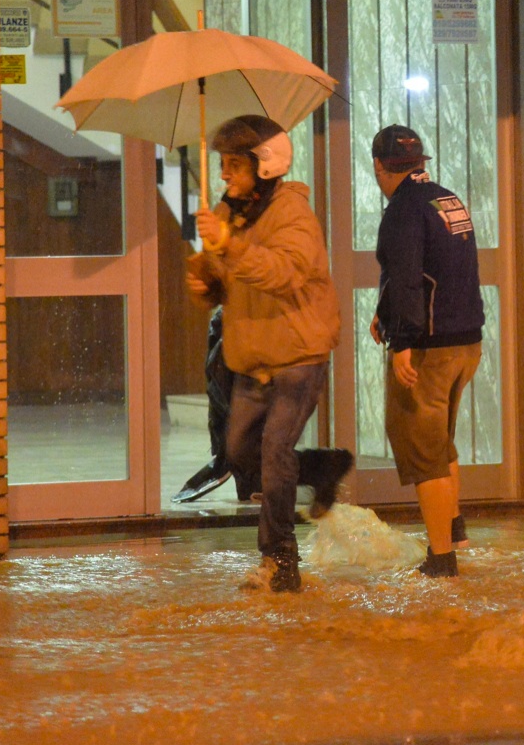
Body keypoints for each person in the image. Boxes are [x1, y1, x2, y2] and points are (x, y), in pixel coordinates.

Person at [186, 114, 343, 592]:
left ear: (266, 165)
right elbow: (223, 275)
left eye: (234, 165)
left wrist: (228, 246)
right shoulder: (232, 210)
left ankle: (281, 561)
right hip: (253, 357)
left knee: (275, 455)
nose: (226, 175)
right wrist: (205, 275)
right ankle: (321, 466)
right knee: (237, 452)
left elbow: (285, 273)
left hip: (297, 353)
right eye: (224, 165)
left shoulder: (294, 213)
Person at [368, 125, 485, 577]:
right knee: (441, 441)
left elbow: (408, 276)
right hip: (465, 343)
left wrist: (404, 343)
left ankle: (441, 558)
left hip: (429, 348)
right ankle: (452, 527)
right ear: (421, 163)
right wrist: (386, 310)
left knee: (423, 449)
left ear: (380, 166)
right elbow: (436, 269)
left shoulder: (402, 209)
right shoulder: (446, 199)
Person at [171, 305, 353, 513]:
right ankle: (319, 470)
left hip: (272, 328)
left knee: (250, 448)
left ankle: (322, 468)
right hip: (251, 321)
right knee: (243, 448)